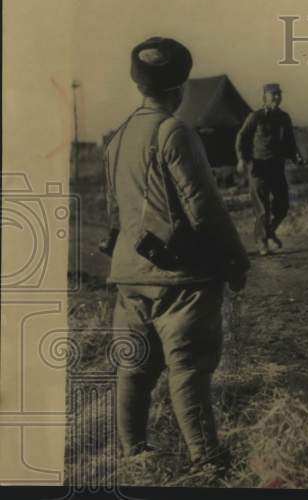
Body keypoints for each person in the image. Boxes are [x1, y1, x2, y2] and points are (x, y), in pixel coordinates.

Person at [103, 36, 250, 471]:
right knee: (188, 369)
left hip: (130, 275)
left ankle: (134, 452)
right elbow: (204, 206)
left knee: (134, 367)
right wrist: (234, 260)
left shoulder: (117, 138)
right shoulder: (175, 131)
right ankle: (208, 459)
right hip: (182, 279)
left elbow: (118, 210)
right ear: (180, 87)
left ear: (138, 83)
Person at [235, 83, 305, 256]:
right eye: (272, 94)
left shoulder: (284, 118)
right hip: (258, 167)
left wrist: (296, 156)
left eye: (278, 94)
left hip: (276, 166)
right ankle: (262, 242)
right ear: (264, 97)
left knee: (283, 205)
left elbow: (290, 141)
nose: (276, 97)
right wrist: (241, 159)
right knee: (262, 208)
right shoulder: (255, 117)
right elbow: (241, 137)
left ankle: (269, 232)